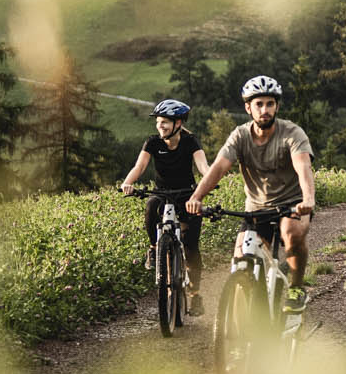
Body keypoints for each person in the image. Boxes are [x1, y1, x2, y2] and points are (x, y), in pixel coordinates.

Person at [187, 74, 317, 295]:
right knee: (241, 259)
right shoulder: (240, 136)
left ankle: (296, 288)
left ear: (276, 107)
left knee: (291, 233)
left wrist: (308, 200)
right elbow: (218, 167)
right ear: (248, 108)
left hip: (293, 204)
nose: (264, 109)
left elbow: (303, 167)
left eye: (270, 104)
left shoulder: (292, 133)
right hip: (257, 208)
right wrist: (196, 197)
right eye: (259, 104)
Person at [120, 99, 210, 314]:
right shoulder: (152, 143)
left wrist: (209, 181)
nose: (161, 126)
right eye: (159, 122)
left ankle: (195, 294)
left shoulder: (190, 142)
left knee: (191, 247)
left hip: (188, 195)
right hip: (162, 193)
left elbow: (203, 166)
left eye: (165, 123)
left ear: (178, 123)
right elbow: (139, 166)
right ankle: (154, 249)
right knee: (151, 206)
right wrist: (128, 182)